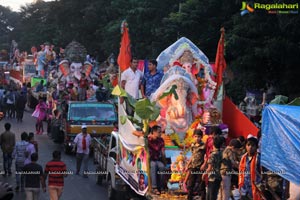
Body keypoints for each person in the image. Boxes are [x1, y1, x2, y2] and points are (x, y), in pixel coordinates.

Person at [185, 129, 206, 200]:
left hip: (200, 167)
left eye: (199, 136)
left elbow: (206, 156)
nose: (197, 138)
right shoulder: (192, 145)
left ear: (201, 137)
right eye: (196, 136)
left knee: (201, 182)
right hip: (193, 167)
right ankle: (189, 196)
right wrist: (188, 164)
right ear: (193, 137)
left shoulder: (203, 146)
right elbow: (192, 155)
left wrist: (204, 164)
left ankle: (203, 197)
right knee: (191, 183)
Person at [204, 135, 223, 200]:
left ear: (213, 144)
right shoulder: (222, 153)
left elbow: (209, 168)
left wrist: (204, 174)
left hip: (212, 177)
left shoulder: (212, 155)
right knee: (214, 194)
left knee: (210, 195)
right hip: (219, 177)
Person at [148, 125, 166, 195]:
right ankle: (154, 188)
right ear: (154, 132)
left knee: (162, 167)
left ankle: (161, 187)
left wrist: (165, 162)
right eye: (159, 132)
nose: (160, 133)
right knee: (153, 166)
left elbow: (163, 152)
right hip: (149, 160)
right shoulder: (147, 139)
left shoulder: (161, 140)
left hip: (157, 159)